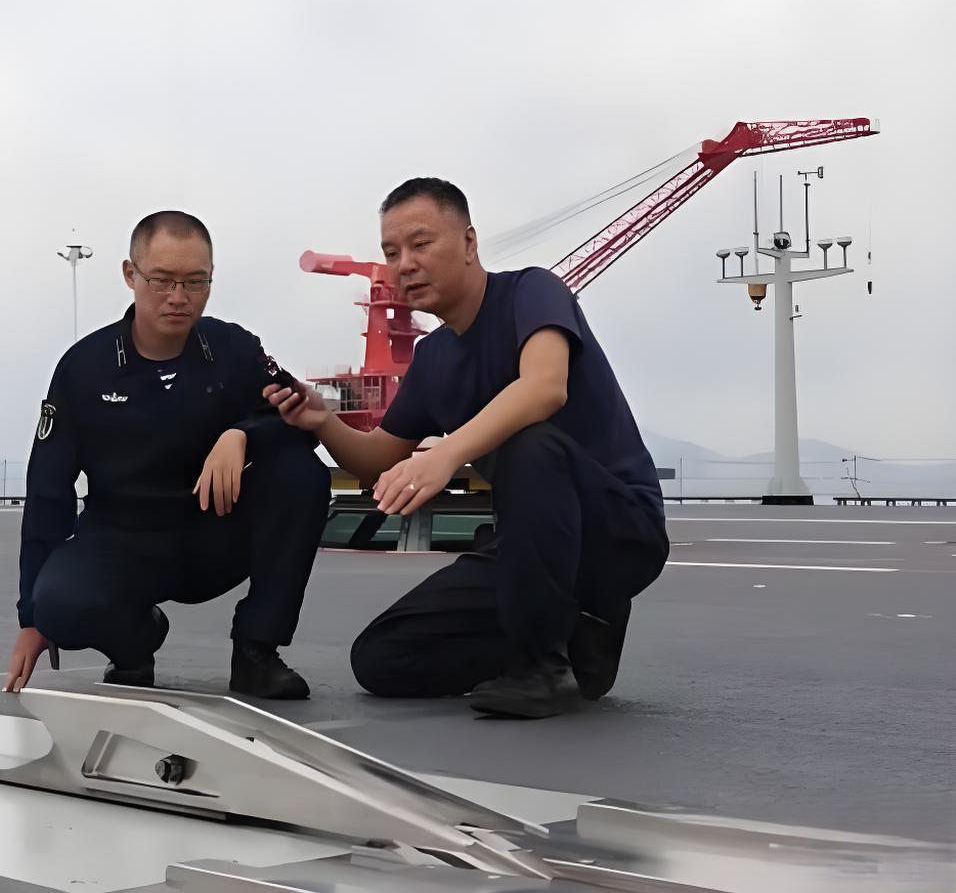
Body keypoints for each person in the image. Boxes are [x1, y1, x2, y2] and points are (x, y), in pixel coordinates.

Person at [265, 178, 669, 719]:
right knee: (383, 659)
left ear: (470, 243)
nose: (404, 264)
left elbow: (545, 387)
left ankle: (542, 667)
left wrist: (446, 452)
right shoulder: (432, 358)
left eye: (420, 244)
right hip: (528, 548)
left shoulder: (532, 291)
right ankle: (577, 644)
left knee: (529, 443)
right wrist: (321, 421)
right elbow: (376, 460)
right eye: (391, 252)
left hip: (616, 532)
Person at [2, 210, 330, 700]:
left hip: (213, 533)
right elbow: (48, 491)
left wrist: (243, 434)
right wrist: (32, 618)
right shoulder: (84, 369)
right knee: (58, 607)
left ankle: (256, 651)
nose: (179, 297)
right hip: (123, 541)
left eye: (196, 282)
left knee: (302, 475)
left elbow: (300, 422)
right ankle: (134, 645)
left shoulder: (235, 349)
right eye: (162, 281)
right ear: (130, 275)